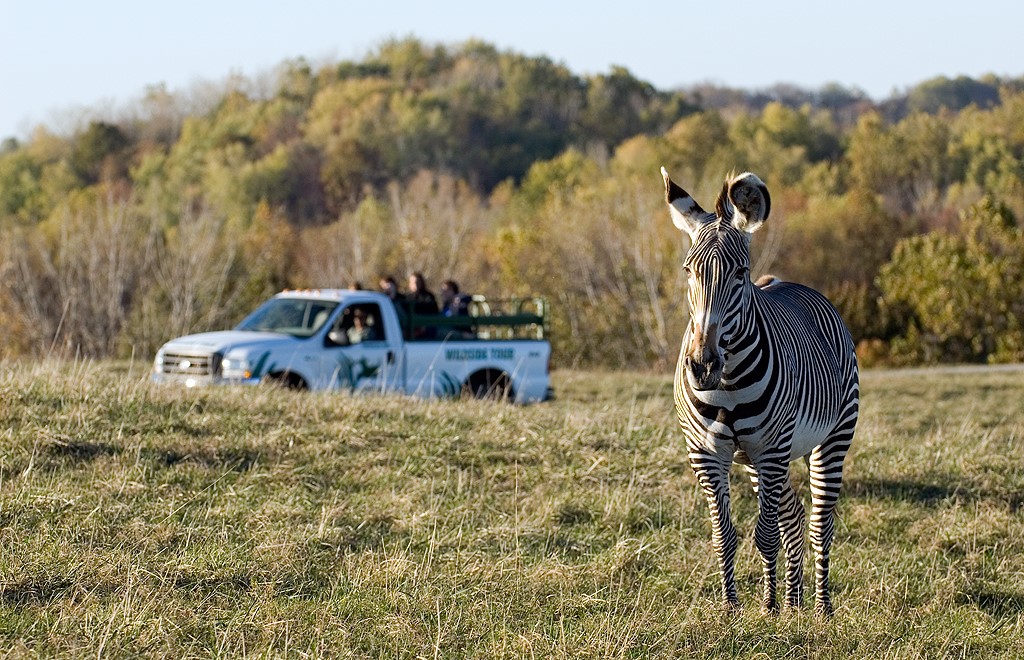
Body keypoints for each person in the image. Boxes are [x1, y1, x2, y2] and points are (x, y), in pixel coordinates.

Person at [407, 272, 439, 339]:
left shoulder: (428, 296)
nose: (415, 284)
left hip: (427, 327)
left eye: (417, 282)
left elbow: (433, 312)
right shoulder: (408, 298)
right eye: (412, 282)